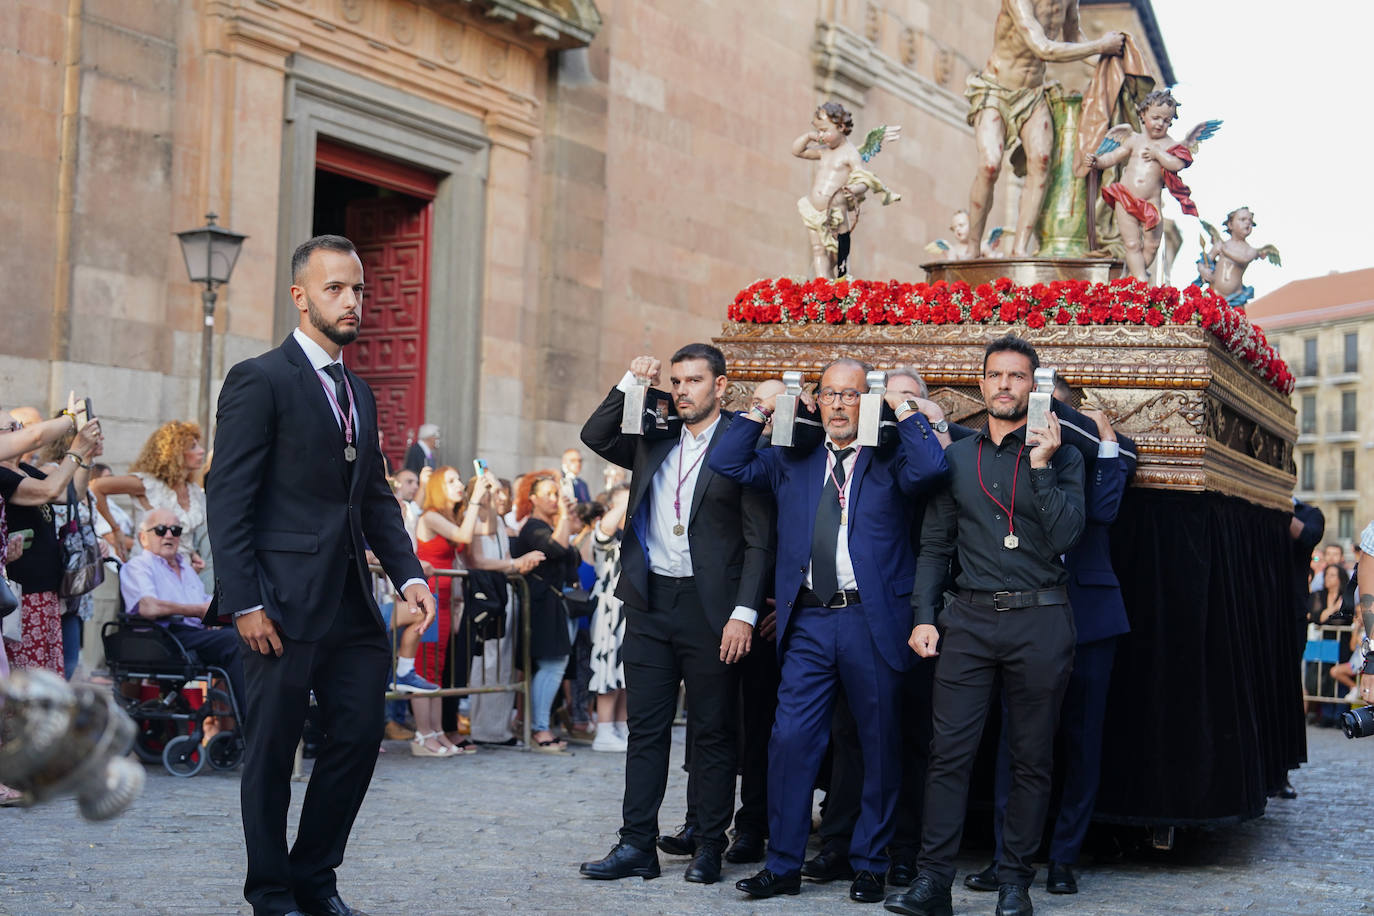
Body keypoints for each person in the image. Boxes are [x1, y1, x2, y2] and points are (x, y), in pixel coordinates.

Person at [207, 234, 434, 916]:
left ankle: (315, 876)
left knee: (361, 735)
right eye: (336, 288)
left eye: (360, 289)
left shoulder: (360, 393)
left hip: (350, 606)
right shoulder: (260, 378)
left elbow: (372, 497)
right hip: (276, 605)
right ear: (301, 296)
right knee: (273, 754)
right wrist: (243, 599)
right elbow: (229, 496)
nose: (353, 301)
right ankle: (271, 891)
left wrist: (410, 574)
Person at [710, 359, 948, 903]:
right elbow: (726, 461)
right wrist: (765, 407)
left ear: (867, 402)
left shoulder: (890, 461)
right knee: (791, 740)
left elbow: (934, 468)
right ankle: (784, 863)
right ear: (815, 402)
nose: (840, 404)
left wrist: (902, 406)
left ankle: (870, 863)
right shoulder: (791, 461)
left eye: (853, 395)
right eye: (830, 395)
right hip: (811, 620)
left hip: (873, 619)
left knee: (879, 743)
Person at [886, 335, 1085, 916]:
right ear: (982, 384)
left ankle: (1015, 884)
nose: (1004, 385)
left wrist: (1043, 469)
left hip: (1043, 618)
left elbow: (1069, 536)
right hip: (968, 620)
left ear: (1033, 385)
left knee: (1030, 757)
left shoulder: (1064, 452)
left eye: (1017, 376)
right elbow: (933, 546)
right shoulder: (955, 457)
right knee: (949, 754)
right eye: (995, 375)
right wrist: (925, 617)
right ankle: (932, 885)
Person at [579, 343, 772, 886]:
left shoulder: (743, 439)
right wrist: (626, 382)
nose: (683, 390)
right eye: (677, 381)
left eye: (693, 381)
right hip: (650, 600)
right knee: (646, 731)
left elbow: (759, 541)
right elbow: (595, 435)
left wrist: (743, 613)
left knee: (712, 732)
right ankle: (636, 843)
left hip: (713, 609)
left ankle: (710, 844)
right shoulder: (654, 432)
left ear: (720, 386)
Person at [967, 395, 1136, 898]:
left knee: (1082, 744)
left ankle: (1064, 857)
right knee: (1016, 744)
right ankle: (1006, 858)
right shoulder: (1006, 455)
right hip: (1023, 618)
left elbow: (1103, 512)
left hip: (1090, 620)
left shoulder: (1099, 451)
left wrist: (1104, 440)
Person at [965, 0, 1124, 258]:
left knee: (1041, 161)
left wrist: (1109, 65)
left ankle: (1019, 249)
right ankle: (971, 249)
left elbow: (1073, 37)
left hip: (1033, 92)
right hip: (995, 89)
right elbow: (1043, 48)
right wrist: (1099, 46)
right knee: (989, 165)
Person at [0, 411, 103, 676]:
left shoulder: (22, 470)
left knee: (53, 672)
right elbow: (50, 490)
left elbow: (71, 494)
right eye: (14, 427)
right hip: (22, 594)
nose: (20, 432)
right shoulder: (3, 476)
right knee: (30, 679)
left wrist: (86, 456)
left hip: (45, 590)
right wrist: (76, 449)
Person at [120, 507, 245, 709]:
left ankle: (245, 719)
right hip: (164, 636)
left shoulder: (185, 567)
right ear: (144, 537)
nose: (169, 535)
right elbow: (148, 607)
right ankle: (248, 721)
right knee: (234, 641)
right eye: (161, 530)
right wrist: (196, 610)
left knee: (247, 632)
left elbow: (205, 601)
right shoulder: (139, 566)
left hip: (192, 634)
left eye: (175, 530)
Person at [1083, 89, 1202, 280]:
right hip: (1125, 196)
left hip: (1151, 202)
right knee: (1131, 244)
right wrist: (1097, 162)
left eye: (1166, 121)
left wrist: (1158, 154)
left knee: (1152, 245)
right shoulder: (1134, 139)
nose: (1160, 124)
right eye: (1155, 117)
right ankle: (1140, 279)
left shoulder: (1169, 146)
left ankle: (1133, 274)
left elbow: (1177, 163)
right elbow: (1113, 156)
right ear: (1142, 114)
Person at [412, 465, 487, 756]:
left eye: (459, 480)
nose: (458, 485)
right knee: (424, 668)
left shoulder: (447, 518)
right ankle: (423, 734)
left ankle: (437, 731)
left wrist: (486, 500)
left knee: (436, 670)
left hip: (444, 603)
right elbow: (465, 536)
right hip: (426, 600)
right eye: (451, 481)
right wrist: (477, 498)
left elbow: (487, 528)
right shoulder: (430, 515)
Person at [466, 473, 542, 746]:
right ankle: (483, 728)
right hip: (485, 594)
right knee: (487, 662)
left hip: (504, 592)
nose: (502, 497)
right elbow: (477, 559)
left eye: (502, 492)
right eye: (494, 491)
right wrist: (514, 564)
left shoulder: (496, 522)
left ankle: (498, 729)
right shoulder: (475, 518)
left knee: (503, 663)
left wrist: (517, 564)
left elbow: (504, 558)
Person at [91, 420, 213, 591]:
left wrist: (192, 553)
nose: (201, 451)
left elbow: (183, 534)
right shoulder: (148, 484)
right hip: (149, 575)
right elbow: (96, 487)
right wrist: (115, 529)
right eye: (192, 447)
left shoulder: (193, 491)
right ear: (174, 453)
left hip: (183, 574)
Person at [791, 101, 900, 278]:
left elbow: (864, 180)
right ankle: (821, 287)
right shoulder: (823, 151)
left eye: (824, 131)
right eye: (818, 131)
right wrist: (809, 136)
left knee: (839, 254)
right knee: (818, 250)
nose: (820, 135)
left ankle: (835, 284)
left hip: (836, 212)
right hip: (813, 209)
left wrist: (852, 189)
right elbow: (797, 151)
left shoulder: (850, 153)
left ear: (841, 127)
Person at [511, 472, 580, 752]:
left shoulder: (551, 524)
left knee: (553, 665)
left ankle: (536, 723)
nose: (555, 499)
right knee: (551, 664)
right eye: (549, 494)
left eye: (557, 493)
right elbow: (556, 548)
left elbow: (570, 551)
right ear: (533, 498)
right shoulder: (532, 527)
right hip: (540, 604)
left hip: (554, 603)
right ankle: (539, 728)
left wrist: (567, 517)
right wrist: (564, 516)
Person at [589, 484, 630, 752]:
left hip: (631, 613)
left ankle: (622, 726)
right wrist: (625, 501)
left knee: (626, 675)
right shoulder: (605, 539)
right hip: (609, 612)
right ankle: (604, 730)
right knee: (607, 670)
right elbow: (605, 530)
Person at [1193, 207, 1280, 309]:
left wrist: (1224, 250)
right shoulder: (1221, 245)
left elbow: (1243, 258)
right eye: (1243, 220)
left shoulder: (1250, 250)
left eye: (1250, 221)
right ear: (1230, 225)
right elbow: (1204, 261)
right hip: (1214, 294)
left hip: (1235, 299)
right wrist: (1203, 270)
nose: (1247, 223)